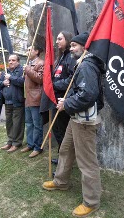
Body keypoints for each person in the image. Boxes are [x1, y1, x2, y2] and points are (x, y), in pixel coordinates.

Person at [42, 32, 105, 218]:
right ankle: (61, 181)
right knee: (66, 150)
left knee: (87, 163)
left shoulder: (86, 65)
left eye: (75, 46)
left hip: (85, 121)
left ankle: (91, 202)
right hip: (76, 118)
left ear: (85, 47)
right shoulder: (81, 64)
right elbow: (74, 86)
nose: (71, 48)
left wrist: (66, 104)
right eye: (71, 46)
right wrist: (64, 96)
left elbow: (88, 94)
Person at [40, 31, 76, 164]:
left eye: (60, 39)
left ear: (67, 40)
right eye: (56, 39)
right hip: (55, 100)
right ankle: (63, 158)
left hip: (64, 101)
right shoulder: (61, 57)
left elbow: (73, 79)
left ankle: (66, 161)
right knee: (57, 130)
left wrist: (54, 85)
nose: (56, 41)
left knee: (63, 132)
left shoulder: (71, 58)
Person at [0, 54, 25, 153]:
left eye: (13, 60)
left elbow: (22, 82)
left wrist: (11, 78)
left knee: (17, 123)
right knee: (9, 122)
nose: (10, 62)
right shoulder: (6, 71)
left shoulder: (22, 70)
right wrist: (3, 83)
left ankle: (16, 143)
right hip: (7, 102)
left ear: (18, 61)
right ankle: (10, 141)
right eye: (9, 60)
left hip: (17, 101)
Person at [21, 45, 44, 158]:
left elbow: (40, 79)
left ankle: (37, 147)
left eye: (30, 50)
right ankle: (30, 144)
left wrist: (28, 70)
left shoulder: (41, 63)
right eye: (27, 50)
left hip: (36, 98)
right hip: (28, 98)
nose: (28, 52)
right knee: (29, 124)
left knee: (37, 124)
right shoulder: (29, 64)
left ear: (37, 51)